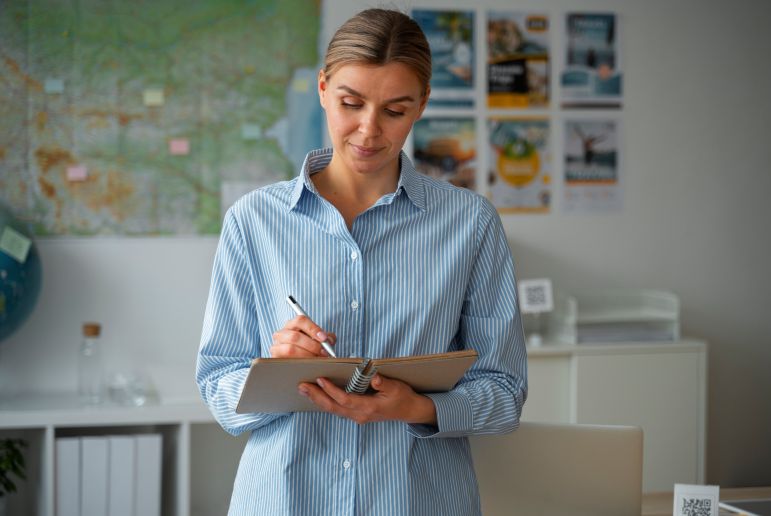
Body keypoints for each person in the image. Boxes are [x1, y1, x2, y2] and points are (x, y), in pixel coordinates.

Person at [196, 8, 527, 516]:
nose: (369, 131)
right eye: (351, 103)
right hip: (286, 500)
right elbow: (219, 391)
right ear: (324, 89)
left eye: (395, 110)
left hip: (418, 501)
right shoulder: (253, 221)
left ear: (421, 105)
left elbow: (504, 393)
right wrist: (273, 368)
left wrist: (415, 407)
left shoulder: (471, 224)